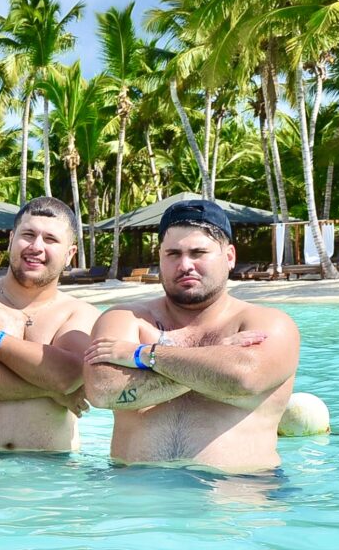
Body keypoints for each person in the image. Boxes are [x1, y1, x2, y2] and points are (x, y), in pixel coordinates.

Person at [84, 199, 300, 472]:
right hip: (136, 499)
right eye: (173, 253)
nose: (185, 265)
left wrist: (142, 354)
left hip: (240, 496)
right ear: (160, 257)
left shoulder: (269, 322)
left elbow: (244, 379)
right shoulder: (125, 318)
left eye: (198, 252)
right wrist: (214, 356)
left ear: (229, 256)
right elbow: (103, 391)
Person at [0, 197, 100, 452]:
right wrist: (52, 391)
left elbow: (69, 374)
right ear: (11, 240)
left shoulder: (80, 313)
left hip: (55, 474)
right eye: (28, 235)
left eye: (50, 239)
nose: (36, 247)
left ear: (69, 254)